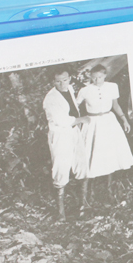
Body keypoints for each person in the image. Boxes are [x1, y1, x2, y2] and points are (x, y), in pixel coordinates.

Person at [76, 64, 133, 205]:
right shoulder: (84, 90)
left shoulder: (112, 87)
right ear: (90, 77)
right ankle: (85, 199)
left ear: (105, 76)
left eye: (100, 77)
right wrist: (77, 121)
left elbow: (115, 105)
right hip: (92, 123)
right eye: (94, 78)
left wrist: (124, 119)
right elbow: (74, 107)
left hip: (109, 122)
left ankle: (110, 194)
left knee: (111, 155)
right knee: (90, 157)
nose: (97, 80)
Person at [43, 69, 89, 219]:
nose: (62, 84)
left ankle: (83, 206)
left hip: (74, 131)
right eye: (58, 81)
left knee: (82, 164)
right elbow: (61, 120)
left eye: (64, 80)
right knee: (61, 168)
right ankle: (61, 213)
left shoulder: (69, 88)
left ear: (69, 79)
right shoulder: (50, 99)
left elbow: (74, 108)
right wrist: (82, 120)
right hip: (60, 135)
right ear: (53, 82)